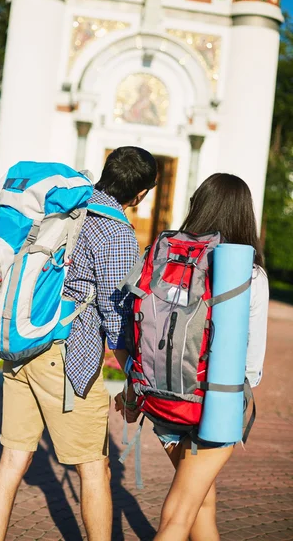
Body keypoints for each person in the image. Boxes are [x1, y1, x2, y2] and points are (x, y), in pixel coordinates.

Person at [0, 147, 158, 541]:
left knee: (12, 459)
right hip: (66, 359)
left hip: (23, 340)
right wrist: (134, 377)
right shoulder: (116, 233)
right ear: (141, 194)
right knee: (94, 467)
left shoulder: (62, 196)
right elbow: (116, 320)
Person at [117, 173, 269, 541]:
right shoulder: (248, 275)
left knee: (202, 505)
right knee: (178, 516)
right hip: (213, 406)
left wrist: (133, 383)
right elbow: (252, 366)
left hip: (163, 403)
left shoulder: (164, 258)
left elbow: (132, 330)